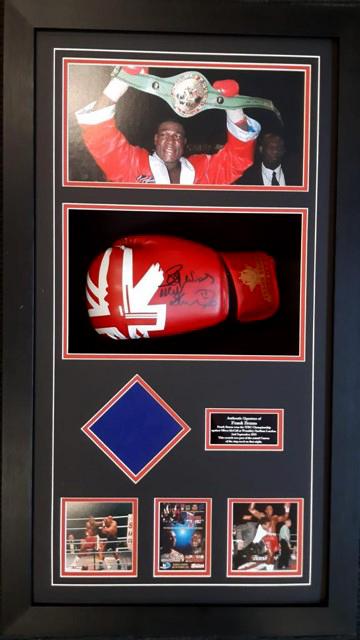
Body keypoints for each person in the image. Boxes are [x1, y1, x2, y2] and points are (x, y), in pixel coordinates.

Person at [75, 66, 261, 185]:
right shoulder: (132, 165)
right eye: (165, 134)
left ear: (184, 142)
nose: (171, 139)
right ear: (155, 139)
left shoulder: (204, 171)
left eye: (177, 135)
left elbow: (238, 159)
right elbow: (99, 135)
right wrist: (121, 81)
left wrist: (233, 106)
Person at [248, 502, 291, 570]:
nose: (271, 510)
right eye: (269, 508)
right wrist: (253, 501)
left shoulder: (275, 517)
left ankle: (269, 568)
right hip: (267, 537)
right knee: (270, 554)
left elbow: (285, 517)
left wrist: (287, 508)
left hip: (274, 538)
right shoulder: (262, 516)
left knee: (272, 555)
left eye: (271, 509)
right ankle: (268, 570)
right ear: (265, 510)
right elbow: (251, 509)